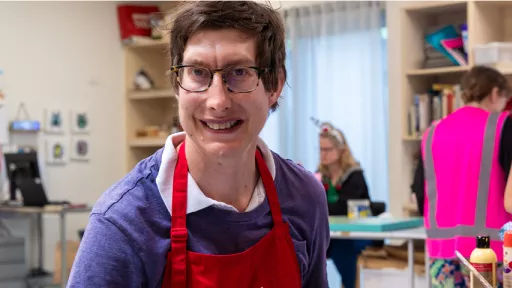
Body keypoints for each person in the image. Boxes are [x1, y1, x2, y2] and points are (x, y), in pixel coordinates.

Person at [67, 1, 330, 287]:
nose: (217, 102)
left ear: (275, 85)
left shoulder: (305, 198)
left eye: (239, 72)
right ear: (176, 84)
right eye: (197, 72)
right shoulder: (124, 222)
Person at [411, 65, 512, 288]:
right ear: (495, 93)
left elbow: (419, 189)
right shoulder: (502, 126)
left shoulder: (432, 132)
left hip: (441, 252)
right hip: (490, 253)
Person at [314, 122, 372, 288]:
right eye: (320, 149)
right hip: (332, 235)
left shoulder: (354, 175)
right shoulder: (320, 176)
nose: (323, 154)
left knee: (342, 249)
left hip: (356, 235)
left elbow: (343, 208)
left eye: (328, 149)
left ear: (340, 150)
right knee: (306, 248)